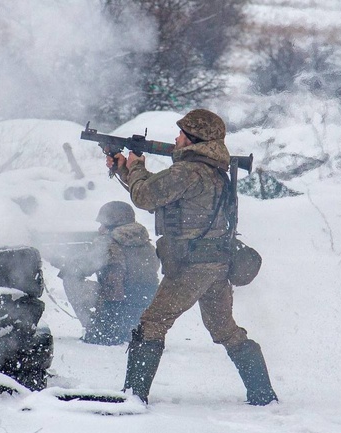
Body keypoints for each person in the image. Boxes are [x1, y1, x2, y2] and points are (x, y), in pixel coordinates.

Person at [105, 109, 278, 405]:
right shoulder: (211, 172)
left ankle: (134, 396)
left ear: (194, 139)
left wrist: (134, 165)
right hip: (215, 264)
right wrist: (126, 168)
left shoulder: (187, 172)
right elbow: (155, 196)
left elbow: (145, 197)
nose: (176, 139)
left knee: (152, 323)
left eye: (181, 134)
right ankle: (263, 394)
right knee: (225, 330)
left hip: (192, 267)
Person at [57, 201, 160, 345]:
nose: (100, 229)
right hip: (144, 314)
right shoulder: (145, 243)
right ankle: (128, 330)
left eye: (103, 224)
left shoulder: (108, 243)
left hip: (115, 312)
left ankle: (95, 329)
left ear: (113, 224)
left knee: (70, 278)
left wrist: (61, 261)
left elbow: (78, 268)